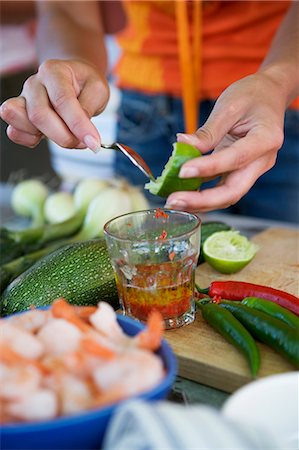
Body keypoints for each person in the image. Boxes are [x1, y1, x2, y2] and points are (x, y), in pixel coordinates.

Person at [0, 1, 298, 222]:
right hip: (146, 110)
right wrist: (69, 67)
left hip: (276, 107)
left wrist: (278, 79)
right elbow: (67, 11)